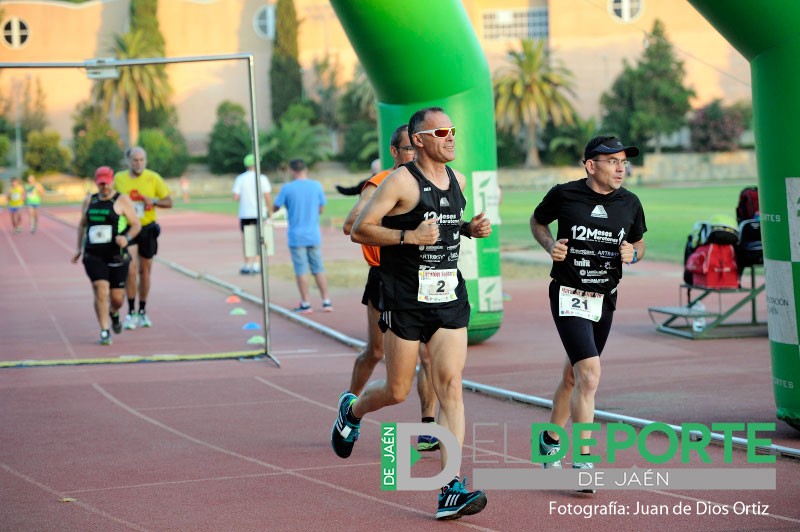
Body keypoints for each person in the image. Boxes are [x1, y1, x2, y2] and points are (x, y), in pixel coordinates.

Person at [332, 107, 491, 520]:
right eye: (441, 131)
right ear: (419, 140)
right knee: (396, 390)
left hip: (448, 297)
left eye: (453, 130)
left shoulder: (457, 180)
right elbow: (359, 229)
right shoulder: (400, 181)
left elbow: (447, 226)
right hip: (404, 299)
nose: (451, 137)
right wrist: (408, 236)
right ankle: (352, 411)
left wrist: (468, 230)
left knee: (450, 386)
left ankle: (450, 488)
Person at [529, 135, 647, 489]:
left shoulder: (630, 202)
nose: (621, 168)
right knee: (591, 375)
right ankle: (583, 461)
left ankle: (549, 440)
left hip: (605, 297)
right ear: (590, 164)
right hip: (568, 294)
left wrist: (634, 254)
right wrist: (551, 245)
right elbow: (537, 222)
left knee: (574, 377)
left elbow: (639, 240)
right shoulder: (564, 195)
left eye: (624, 161)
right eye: (612, 161)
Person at [342, 124, 439, 452]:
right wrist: (396, 225)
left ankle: (428, 428)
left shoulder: (431, 182)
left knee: (428, 355)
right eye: (407, 149)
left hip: (423, 277)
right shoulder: (380, 183)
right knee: (376, 352)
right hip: (385, 277)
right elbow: (350, 225)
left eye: (416, 148)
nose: (414, 154)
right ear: (396, 153)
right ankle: (348, 407)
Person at [71, 167, 141, 345]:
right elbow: (82, 225)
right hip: (94, 255)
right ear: (96, 182)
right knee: (100, 290)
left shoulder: (122, 200)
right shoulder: (89, 200)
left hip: (117, 255)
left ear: (112, 181)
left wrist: (126, 238)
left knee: (117, 299)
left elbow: (136, 225)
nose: (104, 186)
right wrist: (79, 248)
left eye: (107, 182)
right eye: (101, 183)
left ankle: (114, 312)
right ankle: (104, 330)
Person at [113, 147, 173, 329]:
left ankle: (142, 311)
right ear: (128, 161)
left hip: (147, 228)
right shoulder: (119, 179)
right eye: (134, 160)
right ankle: (131, 312)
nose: (138, 163)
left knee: (144, 272)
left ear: (146, 161)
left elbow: (169, 202)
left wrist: (153, 201)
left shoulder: (153, 178)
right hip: (129, 228)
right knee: (130, 270)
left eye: (141, 160)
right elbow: (111, 200)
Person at [272, 159, 332, 313]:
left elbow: (275, 207)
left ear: (292, 171)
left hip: (296, 235)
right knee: (318, 268)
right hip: (313, 234)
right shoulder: (316, 185)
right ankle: (326, 301)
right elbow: (321, 208)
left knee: (301, 270)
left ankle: (306, 303)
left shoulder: (287, 188)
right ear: (306, 169)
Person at [233, 154, 273, 275]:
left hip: (245, 213)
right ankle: (256, 264)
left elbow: (235, 197)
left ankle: (246, 264)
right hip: (259, 213)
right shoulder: (262, 178)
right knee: (259, 238)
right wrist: (270, 211)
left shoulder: (240, 179)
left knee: (246, 239)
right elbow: (267, 196)